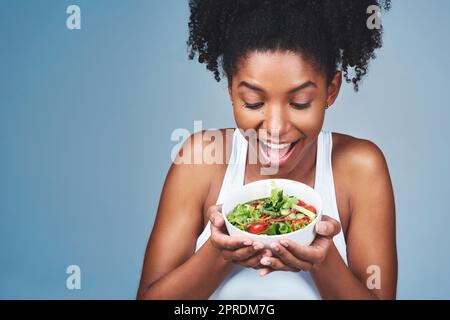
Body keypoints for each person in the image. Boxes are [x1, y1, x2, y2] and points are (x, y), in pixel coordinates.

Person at [137, 0, 397, 300]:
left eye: (299, 103)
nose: (275, 127)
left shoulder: (360, 167)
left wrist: (323, 260)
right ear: (232, 92)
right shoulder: (201, 159)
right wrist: (220, 253)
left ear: (331, 90)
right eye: (253, 102)